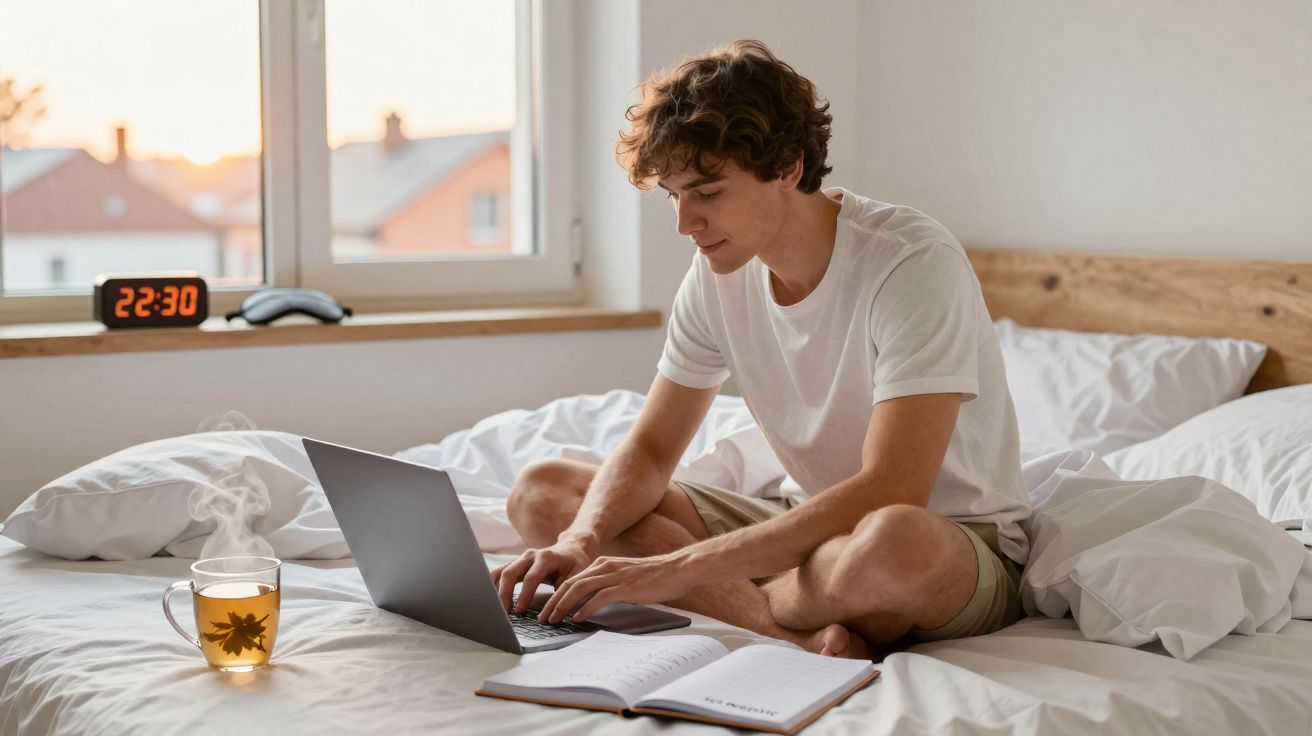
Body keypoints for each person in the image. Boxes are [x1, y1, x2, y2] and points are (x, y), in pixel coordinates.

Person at [490, 39, 1030, 659]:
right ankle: (789, 632)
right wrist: (583, 541)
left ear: (788, 168)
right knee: (544, 493)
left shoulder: (910, 261)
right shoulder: (718, 272)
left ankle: (768, 593)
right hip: (808, 526)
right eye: (673, 195)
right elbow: (649, 450)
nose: (684, 222)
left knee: (889, 546)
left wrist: (677, 569)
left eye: (707, 192)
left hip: (946, 539)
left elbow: (890, 487)